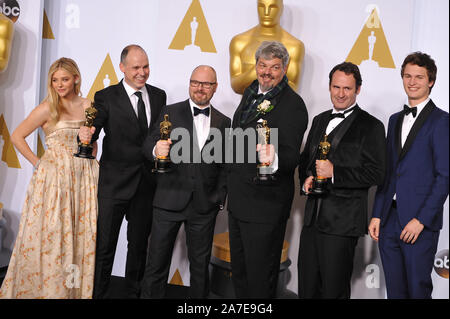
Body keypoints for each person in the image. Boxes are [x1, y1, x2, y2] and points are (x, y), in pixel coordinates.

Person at [0, 57, 99, 298]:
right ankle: (49, 290)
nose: (59, 85)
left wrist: (91, 155)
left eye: (64, 79)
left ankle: (73, 290)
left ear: (76, 78)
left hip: (83, 178)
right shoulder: (47, 107)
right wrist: (40, 163)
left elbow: (93, 144)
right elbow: (16, 136)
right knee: (54, 236)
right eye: (55, 80)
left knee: (79, 237)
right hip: (53, 182)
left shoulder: (89, 105)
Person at [79, 45, 167, 298]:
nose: (142, 72)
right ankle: (97, 294)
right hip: (114, 185)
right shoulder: (106, 96)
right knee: (105, 246)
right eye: (136, 67)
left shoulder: (159, 96)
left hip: (147, 184)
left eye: (146, 66)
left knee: (139, 247)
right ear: (122, 68)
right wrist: (86, 134)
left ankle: (133, 294)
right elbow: (93, 126)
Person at [140, 65, 230, 298]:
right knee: (156, 263)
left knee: (200, 268)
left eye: (206, 84)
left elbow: (226, 166)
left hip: (203, 206)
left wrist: (218, 199)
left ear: (215, 87)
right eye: (195, 83)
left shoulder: (224, 121)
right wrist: (155, 149)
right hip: (168, 198)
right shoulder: (169, 111)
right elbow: (148, 143)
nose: (200, 88)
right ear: (189, 84)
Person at [298, 62, 386, 299]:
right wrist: (306, 178)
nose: (340, 93)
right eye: (336, 87)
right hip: (312, 220)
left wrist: (335, 173)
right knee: (306, 288)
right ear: (329, 87)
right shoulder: (319, 119)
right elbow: (306, 160)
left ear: (358, 89)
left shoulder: (372, 126)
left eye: (347, 88)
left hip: (342, 224)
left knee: (333, 292)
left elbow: (377, 173)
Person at [227, 41, 308, 298]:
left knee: (260, 277)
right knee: (239, 272)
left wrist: (273, 158)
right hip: (239, 201)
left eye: (274, 67)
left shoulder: (294, 104)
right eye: (262, 65)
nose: (267, 72)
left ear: (284, 70)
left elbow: (291, 156)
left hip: (265, 206)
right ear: (256, 66)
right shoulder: (249, 95)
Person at [369, 52, 449, 299]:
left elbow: (444, 176)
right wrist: (377, 214)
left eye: (419, 77)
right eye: (407, 76)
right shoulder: (394, 120)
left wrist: (421, 220)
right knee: (395, 291)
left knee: (417, 290)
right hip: (389, 219)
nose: (412, 82)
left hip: (419, 223)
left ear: (431, 81)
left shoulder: (442, 121)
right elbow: (389, 172)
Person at [229, 0, 304, 94]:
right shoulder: (240, 42)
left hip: (280, 107)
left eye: (272, 7)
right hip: (246, 107)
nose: (266, 12)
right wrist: (260, 70)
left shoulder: (294, 46)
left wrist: (261, 71)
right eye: (261, 7)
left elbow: (293, 89)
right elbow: (236, 86)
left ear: (281, 9)